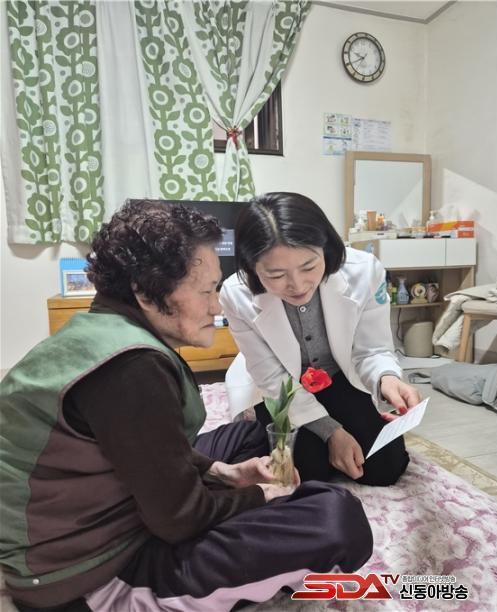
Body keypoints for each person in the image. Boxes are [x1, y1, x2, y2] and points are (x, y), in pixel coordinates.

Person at [0, 200, 373, 612]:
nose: (216, 306)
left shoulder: (101, 328)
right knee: (336, 518)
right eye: (206, 291)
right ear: (146, 292)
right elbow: (180, 519)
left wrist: (222, 472)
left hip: (102, 510)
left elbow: (143, 448)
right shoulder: (132, 370)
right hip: (87, 576)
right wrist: (258, 496)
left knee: (249, 436)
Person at [220, 192, 422, 486]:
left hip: (340, 375)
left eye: (308, 266)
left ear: (325, 248)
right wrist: (331, 432)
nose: (297, 285)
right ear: (252, 267)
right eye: (276, 275)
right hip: (282, 384)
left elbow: (372, 349)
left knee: (385, 468)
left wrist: (387, 378)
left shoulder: (365, 271)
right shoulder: (235, 294)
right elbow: (271, 377)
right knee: (305, 473)